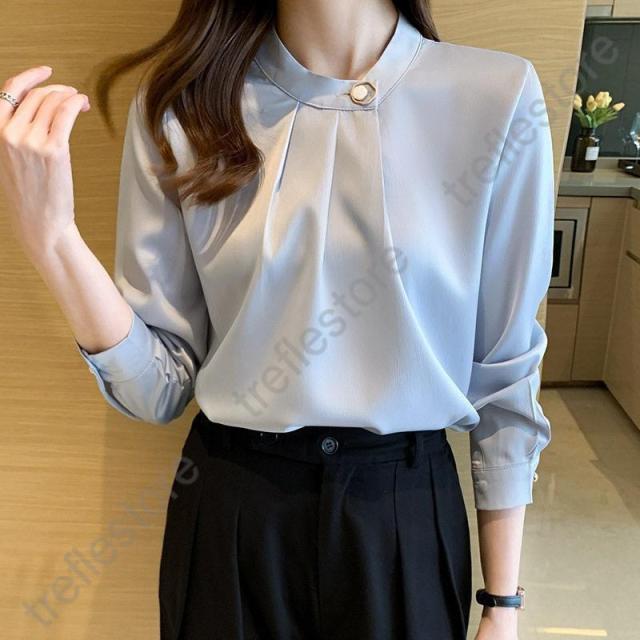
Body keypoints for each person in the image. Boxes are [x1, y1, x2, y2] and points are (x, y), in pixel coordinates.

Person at [0, 1, 555, 638]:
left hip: (403, 519)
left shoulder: (497, 95)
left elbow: (506, 375)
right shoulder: (185, 105)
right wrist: (55, 240)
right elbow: (158, 389)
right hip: (232, 518)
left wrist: (501, 604)